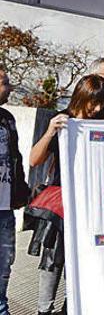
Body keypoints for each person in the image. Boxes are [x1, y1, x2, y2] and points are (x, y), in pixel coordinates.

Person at [27, 75, 104, 315]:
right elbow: (34, 159)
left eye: (101, 103)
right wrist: (51, 131)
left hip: (92, 205)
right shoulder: (63, 119)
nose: (96, 109)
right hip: (62, 204)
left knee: (84, 264)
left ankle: (70, 309)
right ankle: (43, 310)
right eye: (92, 103)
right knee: (53, 262)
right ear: (81, 97)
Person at [0, 67, 28, 315]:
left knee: (4, 263)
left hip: (5, 208)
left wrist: (21, 191)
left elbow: (16, 158)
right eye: (5, 83)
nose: (9, 88)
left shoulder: (8, 119)